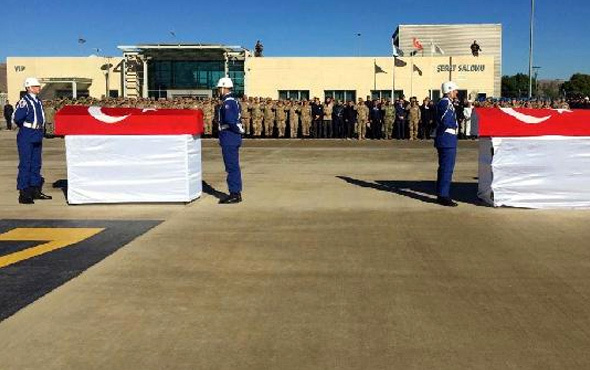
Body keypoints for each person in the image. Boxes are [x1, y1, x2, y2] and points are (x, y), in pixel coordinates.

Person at [13, 77, 53, 204]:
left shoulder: (38, 101)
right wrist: (26, 127)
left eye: (38, 86)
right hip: (27, 134)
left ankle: (35, 190)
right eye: (36, 86)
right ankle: (24, 192)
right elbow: (18, 118)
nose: (38, 88)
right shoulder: (25, 101)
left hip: (37, 133)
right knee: (26, 164)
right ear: (29, 88)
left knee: (36, 163)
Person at [216, 77, 244, 204]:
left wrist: (236, 130)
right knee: (232, 165)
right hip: (230, 136)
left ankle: (235, 193)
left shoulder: (228, 102)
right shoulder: (232, 100)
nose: (218, 91)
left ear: (223, 88)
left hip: (229, 136)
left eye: (219, 89)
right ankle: (235, 191)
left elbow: (230, 120)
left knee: (231, 166)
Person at [434, 81, 460, 207]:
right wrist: (454, 125)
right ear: (449, 91)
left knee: (445, 168)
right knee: (446, 168)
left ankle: (442, 193)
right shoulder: (444, 103)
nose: (456, 92)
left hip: (448, 139)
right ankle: (443, 195)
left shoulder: (448, 103)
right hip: (446, 138)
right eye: (455, 90)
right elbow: (445, 120)